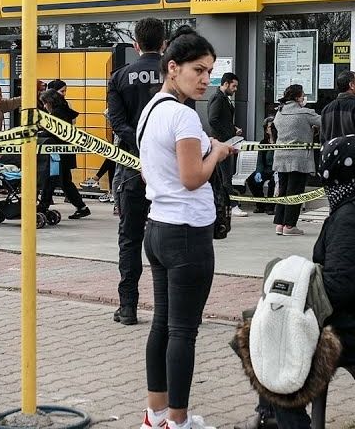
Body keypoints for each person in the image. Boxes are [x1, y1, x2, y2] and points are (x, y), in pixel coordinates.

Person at [235, 136, 355, 429]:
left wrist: (295, 300)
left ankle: (288, 422)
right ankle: (271, 416)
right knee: (263, 325)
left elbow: (338, 287)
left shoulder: (354, 216)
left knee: (276, 337)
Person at [135, 27, 234, 429]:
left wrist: (202, 149)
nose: (206, 79)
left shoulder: (151, 111)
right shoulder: (184, 115)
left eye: (210, 71)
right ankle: (177, 421)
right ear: (173, 67)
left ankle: (156, 413)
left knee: (162, 324)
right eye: (199, 70)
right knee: (183, 331)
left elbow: (151, 172)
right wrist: (219, 152)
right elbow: (193, 178)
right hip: (188, 233)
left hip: (158, 226)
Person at [107, 17, 167, 326]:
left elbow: (117, 124)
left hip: (132, 165)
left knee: (130, 238)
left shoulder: (119, 77)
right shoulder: (174, 75)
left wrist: (140, 142)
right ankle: (168, 308)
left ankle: (128, 306)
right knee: (170, 236)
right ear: (164, 44)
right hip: (169, 168)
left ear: (135, 45)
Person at [271, 84, 321, 236]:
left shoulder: (279, 112)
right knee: (295, 191)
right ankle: (290, 225)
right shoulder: (305, 113)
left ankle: (280, 224)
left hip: (281, 157)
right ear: (298, 97)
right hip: (298, 159)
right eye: (303, 95)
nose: (304, 98)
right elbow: (324, 121)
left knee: (283, 190)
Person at [38, 88, 91, 219]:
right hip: (65, 151)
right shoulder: (64, 111)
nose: (44, 106)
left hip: (58, 153)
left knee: (51, 179)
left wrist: (39, 133)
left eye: (45, 103)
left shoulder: (57, 114)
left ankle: (43, 206)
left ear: (50, 102)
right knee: (65, 181)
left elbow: (53, 133)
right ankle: (81, 207)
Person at [207, 72, 245, 216]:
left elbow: (222, 120)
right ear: (226, 83)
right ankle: (232, 205)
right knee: (225, 176)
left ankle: (225, 204)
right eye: (234, 86)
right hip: (222, 142)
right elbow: (213, 120)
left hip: (224, 141)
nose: (235, 89)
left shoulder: (223, 98)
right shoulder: (218, 98)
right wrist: (229, 132)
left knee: (223, 175)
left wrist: (233, 128)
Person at [320, 70, 355, 145]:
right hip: (354, 152)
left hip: (332, 152)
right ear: (351, 85)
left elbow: (323, 141)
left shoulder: (326, 110)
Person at [244, 119, 277, 214]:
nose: (272, 129)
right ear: (266, 130)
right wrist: (258, 171)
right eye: (270, 127)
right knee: (251, 180)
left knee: (273, 183)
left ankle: (270, 207)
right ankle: (260, 205)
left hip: (276, 170)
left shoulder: (280, 141)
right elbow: (260, 160)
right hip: (266, 169)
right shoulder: (263, 142)